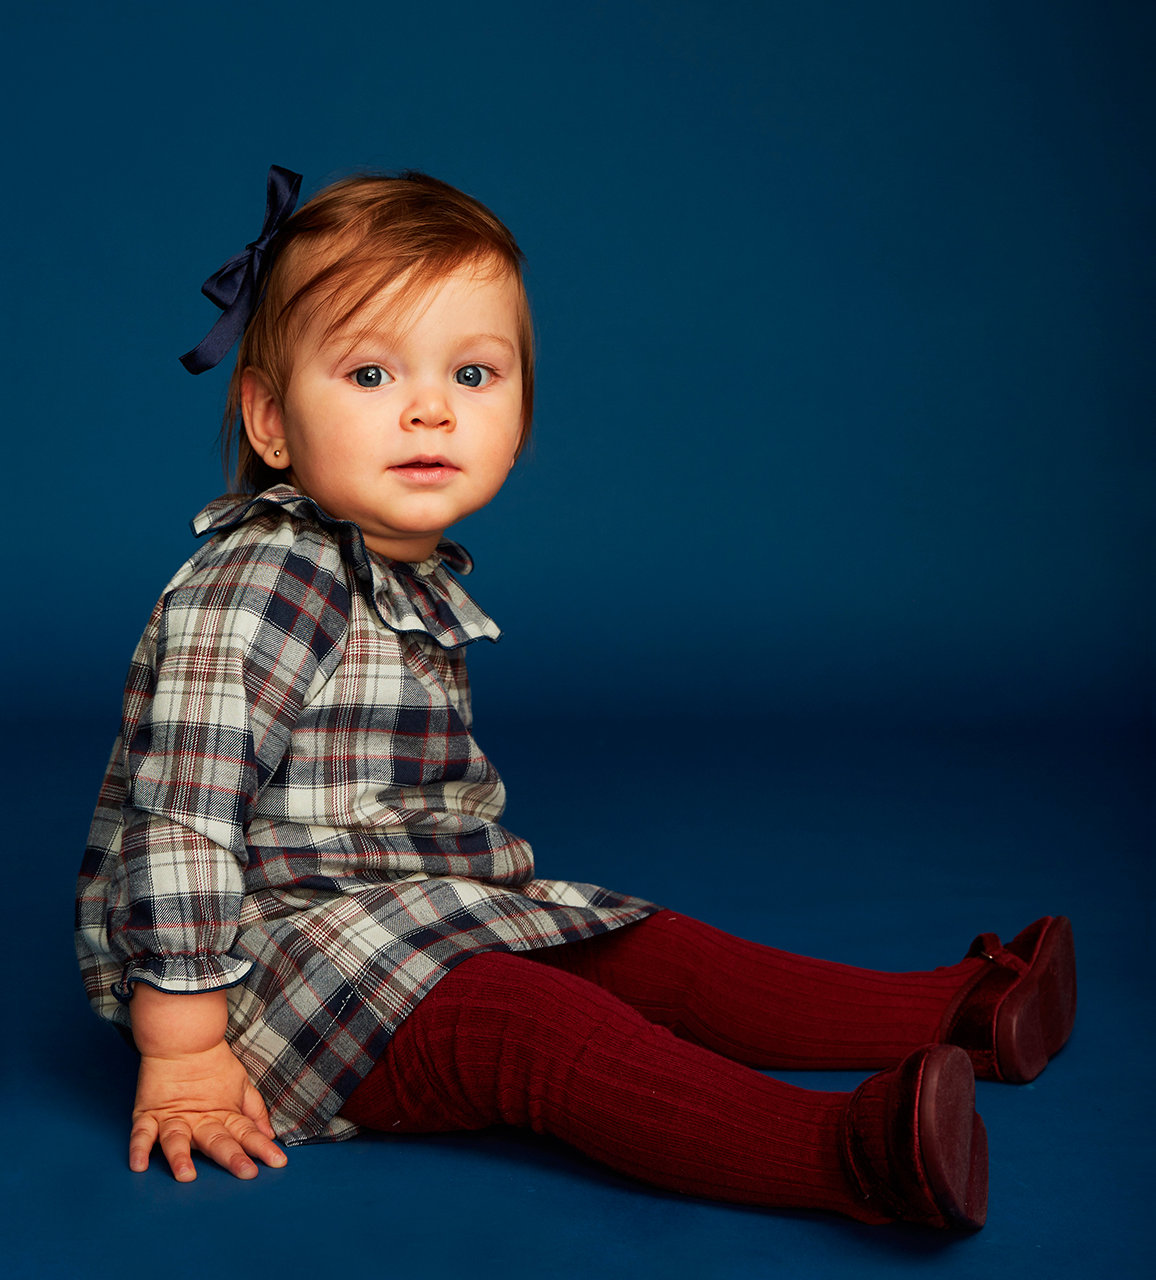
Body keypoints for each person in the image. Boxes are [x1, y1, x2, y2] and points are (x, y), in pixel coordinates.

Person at [75, 166, 1076, 1230]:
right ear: (272, 421)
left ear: (518, 416)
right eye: (369, 374)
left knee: (635, 942)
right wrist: (184, 1046)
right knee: (530, 1024)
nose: (427, 406)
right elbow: (180, 817)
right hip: (270, 971)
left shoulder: (391, 566)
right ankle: (851, 1154)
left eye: (472, 373)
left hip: (406, 917)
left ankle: (952, 1009)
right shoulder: (265, 580)